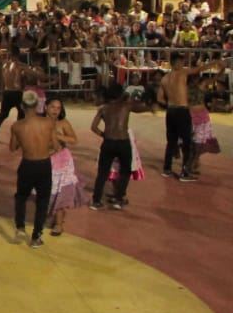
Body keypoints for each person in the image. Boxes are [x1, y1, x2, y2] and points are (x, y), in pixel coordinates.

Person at [157, 52, 225, 181]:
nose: (183, 65)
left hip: (170, 111)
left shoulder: (164, 79)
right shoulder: (182, 73)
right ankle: (185, 173)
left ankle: (167, 169)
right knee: (187, 142)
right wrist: (215, 62)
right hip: (182, 110)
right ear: (177, 62)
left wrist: (172, 102)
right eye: (182, 62)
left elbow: (160, 98)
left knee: (171, 142)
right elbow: (199, 69)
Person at [90, 81, 152, 211]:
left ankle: (96, 201)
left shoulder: (103, 108)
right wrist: (151, 105)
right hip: (123, 142)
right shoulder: (126, 105)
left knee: (102, 173)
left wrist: (104, 135)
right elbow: (143, 108)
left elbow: (94, 127)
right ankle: (118, 199)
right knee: (125, 171)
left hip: (108, 142)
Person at [11, 90, 55, 248]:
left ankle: (20, 227)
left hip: (27, 164)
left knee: (21, 196)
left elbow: (12, 147)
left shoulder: (17, 126)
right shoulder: (48, 123)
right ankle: (36, 237)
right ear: (37, 105)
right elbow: (55, 146)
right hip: (44, 164)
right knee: (43, 200)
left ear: (22, 106)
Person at [45, 98, 84, 236]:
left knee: (61, 193)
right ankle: (51, 216)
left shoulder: (63, 123)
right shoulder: (39, 123)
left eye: (58, 108)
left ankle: (59, 224)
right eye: (52, 107)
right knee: (47, 192)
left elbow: (74, 139)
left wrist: (59, 136)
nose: (55, 110)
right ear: (45, 107)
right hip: (44, 160)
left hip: (62, 162)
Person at [0, 46, 43, 141]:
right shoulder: (21, 65)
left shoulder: (4, 65)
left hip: (7, 92)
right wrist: (50, 77)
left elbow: (2, 81)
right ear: (18, 55)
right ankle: (18, 136)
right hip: (17, 93)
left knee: (3, 114)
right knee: (21, 114)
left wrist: (1, 93)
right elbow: (35, 75)